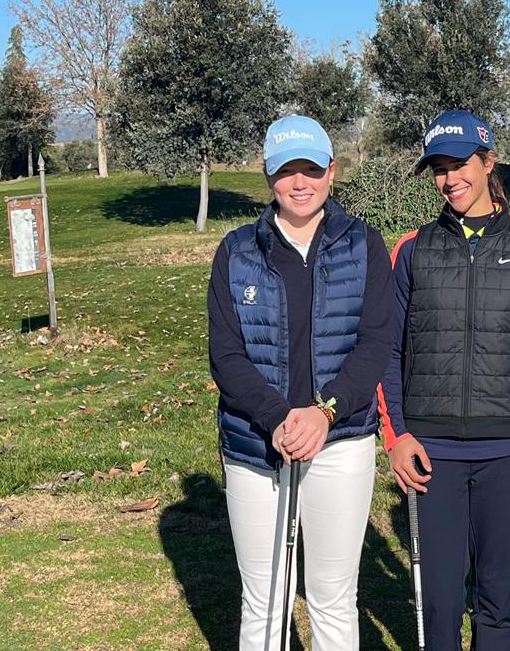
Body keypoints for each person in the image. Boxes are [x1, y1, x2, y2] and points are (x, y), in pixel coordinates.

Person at [378, 109, 510, 651]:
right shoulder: (411, 250)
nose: (449, 179)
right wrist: (396, 437)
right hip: (430, 453)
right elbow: (387, 352)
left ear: (488, 161)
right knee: (440, 604)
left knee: (496, 604)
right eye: (438, 168)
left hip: (507, 453)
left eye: (459, 164)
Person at [207, 114, 394, 651]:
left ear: (331, 171)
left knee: (333, 597)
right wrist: (276, 417)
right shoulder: (236, 251)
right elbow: (226, 355)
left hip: (340, 441)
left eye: (311, 169)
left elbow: (375, 343)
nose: (299, 183)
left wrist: (324, 411)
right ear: (269, 175)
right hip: (256, 445)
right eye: (286, 170)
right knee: (265, 600)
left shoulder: (364, 244)